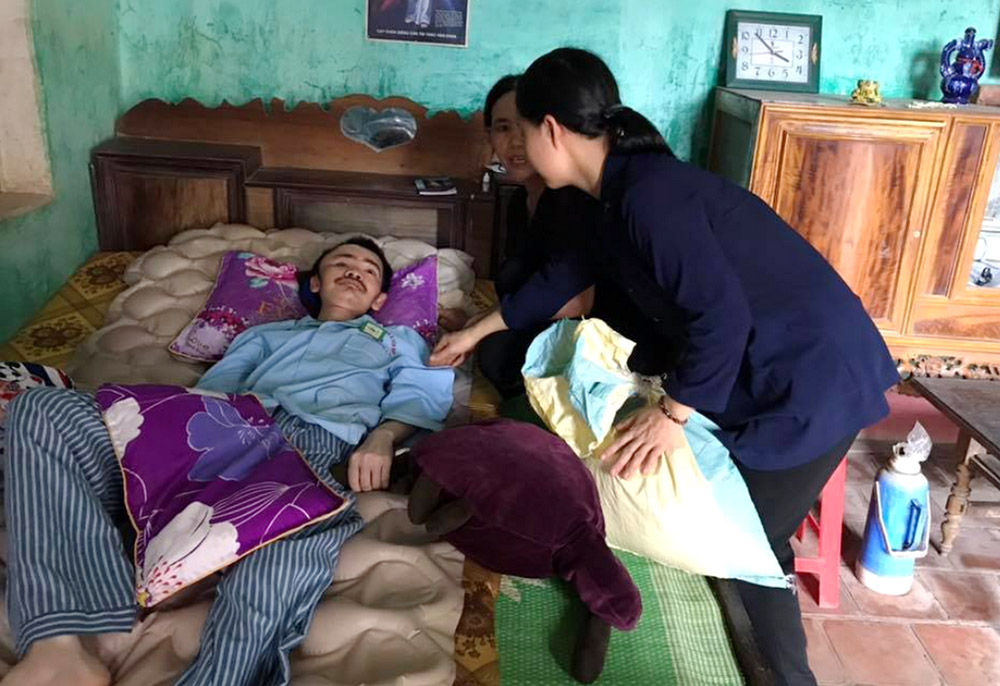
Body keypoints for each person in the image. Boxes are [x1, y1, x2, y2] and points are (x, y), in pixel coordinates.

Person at [432, 48, 899, 686]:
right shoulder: (614, 191)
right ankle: (615, 592)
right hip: (765, 371)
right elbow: (566, 276)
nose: (509, 143)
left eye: (521, 127)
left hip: (808, 376)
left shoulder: (649, 196)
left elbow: (723, 318)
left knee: (749, 553)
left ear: (553, 130)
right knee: (693, 512)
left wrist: (673, 414)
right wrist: (480, 331)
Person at [2, 237, 455, 686]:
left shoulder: (397, 341)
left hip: (313, 443)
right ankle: (57, 645)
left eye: (369, 268)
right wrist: (151, 449)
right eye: (342, 262)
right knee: (42, 410)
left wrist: (382, 437)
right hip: (226, 425)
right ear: (315, 283)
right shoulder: (264, 335)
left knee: (283, 555)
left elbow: (421, 396)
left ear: (379, 299)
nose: (355, 268)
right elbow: (211, 392)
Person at [445, 74, 639, 399]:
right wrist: (476, 322)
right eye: (503, 128)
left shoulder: (574, 199)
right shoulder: (520, 203)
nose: (517, 142)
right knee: (497, 351)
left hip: (601, 334)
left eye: (526, 128)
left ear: (551, 131)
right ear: (489, 136)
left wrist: (479, 329)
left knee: (498, 352)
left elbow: (577, 298)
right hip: (545, 325)